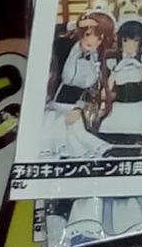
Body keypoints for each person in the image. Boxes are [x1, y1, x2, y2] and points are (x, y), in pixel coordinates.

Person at [42, 10, 114, 159]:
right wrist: (73, 24)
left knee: (76, 136)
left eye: (99, 38)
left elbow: (92, 92)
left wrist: (78, 108)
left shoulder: (97, 62)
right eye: (88, 34)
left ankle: (104, 152)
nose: (92, 41)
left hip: (75, 110)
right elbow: (43, 32)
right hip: (52, 106)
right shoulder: (64, 47)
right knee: (51, 138)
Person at [95, 17, 142, 149]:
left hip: (140, 108)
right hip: (118, 108)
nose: (130, 45)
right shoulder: (112, 62)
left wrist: (140, 68)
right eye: (125, 40)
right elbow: (104, 94)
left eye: (135, 40)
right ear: (120, 41)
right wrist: (116, 71)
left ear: (140, 42)